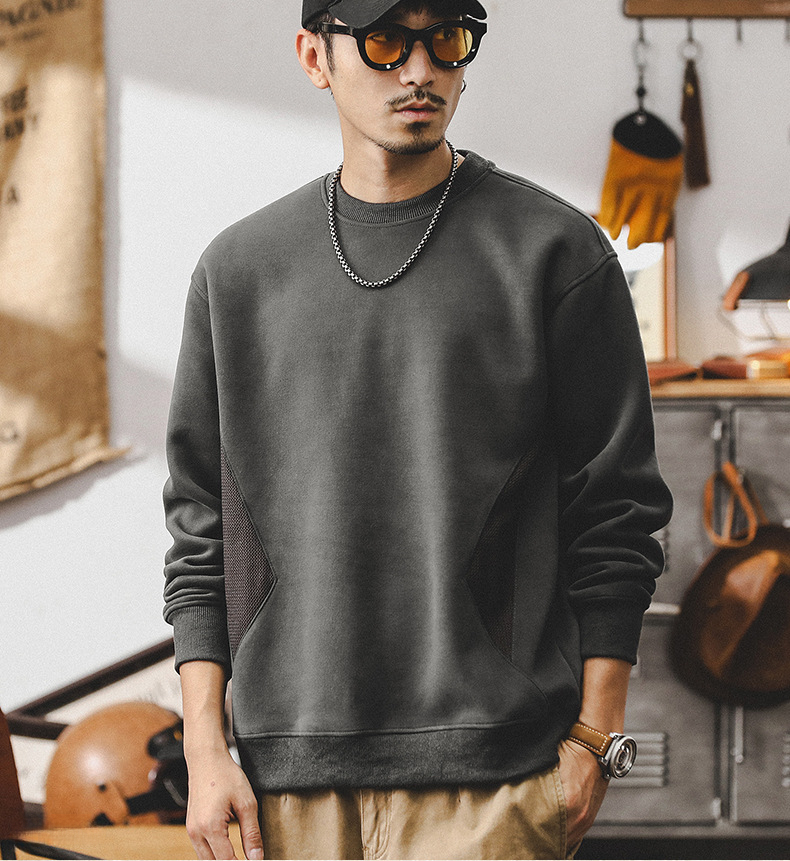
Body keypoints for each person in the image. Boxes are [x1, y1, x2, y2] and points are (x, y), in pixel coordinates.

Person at [162, 1, 673, 858]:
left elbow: (617, 513)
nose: (420, 69)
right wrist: (204, 750)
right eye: (385, 41)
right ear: (314, 57)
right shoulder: (238, 273)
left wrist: (596, 740)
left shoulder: (555, 254)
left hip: (495, 782)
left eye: (446, 40)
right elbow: (199, 530)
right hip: (282, 787)